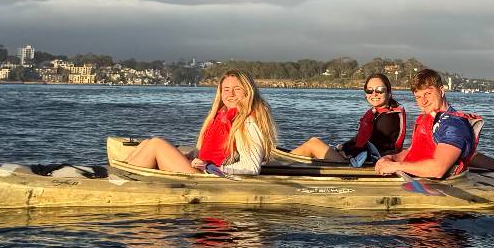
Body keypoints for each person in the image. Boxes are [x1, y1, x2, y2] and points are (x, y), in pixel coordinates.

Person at [123, 71, 277, 176]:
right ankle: (123, 175)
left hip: (208, 177)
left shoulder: (248, 122)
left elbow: (251, 168)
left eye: (237, 89)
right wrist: (190, 156)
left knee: (156, 144)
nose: (230, 94)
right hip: (202, 169)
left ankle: (123, 182)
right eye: (226, 89)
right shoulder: (223, 115)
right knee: (146, 143)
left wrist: (210, 168)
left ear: (248, 91)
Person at [373, 68, 480, 180]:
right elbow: (412, 151)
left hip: (440, 187)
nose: (423, 101)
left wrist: (396, 166)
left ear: (441, 91)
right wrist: (391, 158)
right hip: (417, 180)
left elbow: (438, 169)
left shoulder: (454, 125)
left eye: (428, 93)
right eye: (418, 97)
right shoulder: (426, 119)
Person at [286, 72, 407, 165]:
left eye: (380, 90)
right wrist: (343, 147)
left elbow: (373, 146)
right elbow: (361, 139)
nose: (374, 94)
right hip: (361, 159)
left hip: (364, 164)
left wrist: (348, 153)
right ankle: (282, 162)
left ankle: (275, 166)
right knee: (316, 146)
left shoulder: (389, 118)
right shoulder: (378, 113)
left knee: (313, 144)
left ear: (389, 93)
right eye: (369, 90)